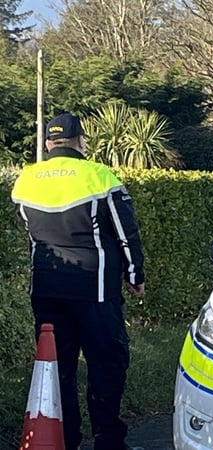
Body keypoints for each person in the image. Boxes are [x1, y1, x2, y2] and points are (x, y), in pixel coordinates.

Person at [10, 113, 145, 450]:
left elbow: (28, 227)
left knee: (58, 368)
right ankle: (108, 440)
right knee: (107, 364)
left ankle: (64, 439)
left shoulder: (27, 179)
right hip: (95, 288)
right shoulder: (98, 176)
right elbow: (126, 232)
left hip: (46, 288)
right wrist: (134, 275)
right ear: (81, 141)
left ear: (46, 144)